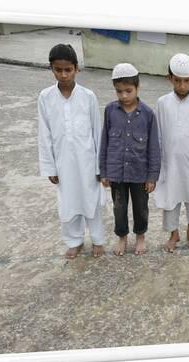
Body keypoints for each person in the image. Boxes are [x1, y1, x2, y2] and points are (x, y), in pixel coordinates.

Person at [37, 43, 106, 259]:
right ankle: (74, 241)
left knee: (91, 200)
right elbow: (44, 133)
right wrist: (49, 166)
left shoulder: (88, 96)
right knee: (68, 202)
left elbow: (97, 131)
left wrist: (99, 166)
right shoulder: (45, 97)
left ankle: (97, 239)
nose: (64, 74)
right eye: (58, 70)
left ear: (77, 68)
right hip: (62, 161)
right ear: (51, 69)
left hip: (87, 160)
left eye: (68, 69)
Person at [99, 63, 161, 256]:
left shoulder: (148, 115)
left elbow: (153, 147)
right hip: (116, 172)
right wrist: (104, 172)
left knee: (141, 207)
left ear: (137, 87)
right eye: (119, 92)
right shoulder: (110, 111)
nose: (124, 96)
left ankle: (140, 236)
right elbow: (105, 142)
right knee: (119, 207)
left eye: (128, 91)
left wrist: (152, 176)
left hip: (139, 173)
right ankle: (122, 237)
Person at [154, 53, 189, 252]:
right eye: (177, 80)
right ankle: (174, 234)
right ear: (169, 78)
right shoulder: (162, 103)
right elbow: (158, 135)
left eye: (186, 80)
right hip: (169, 163)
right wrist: (157, 165)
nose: (181, 85)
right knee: (171, 200)